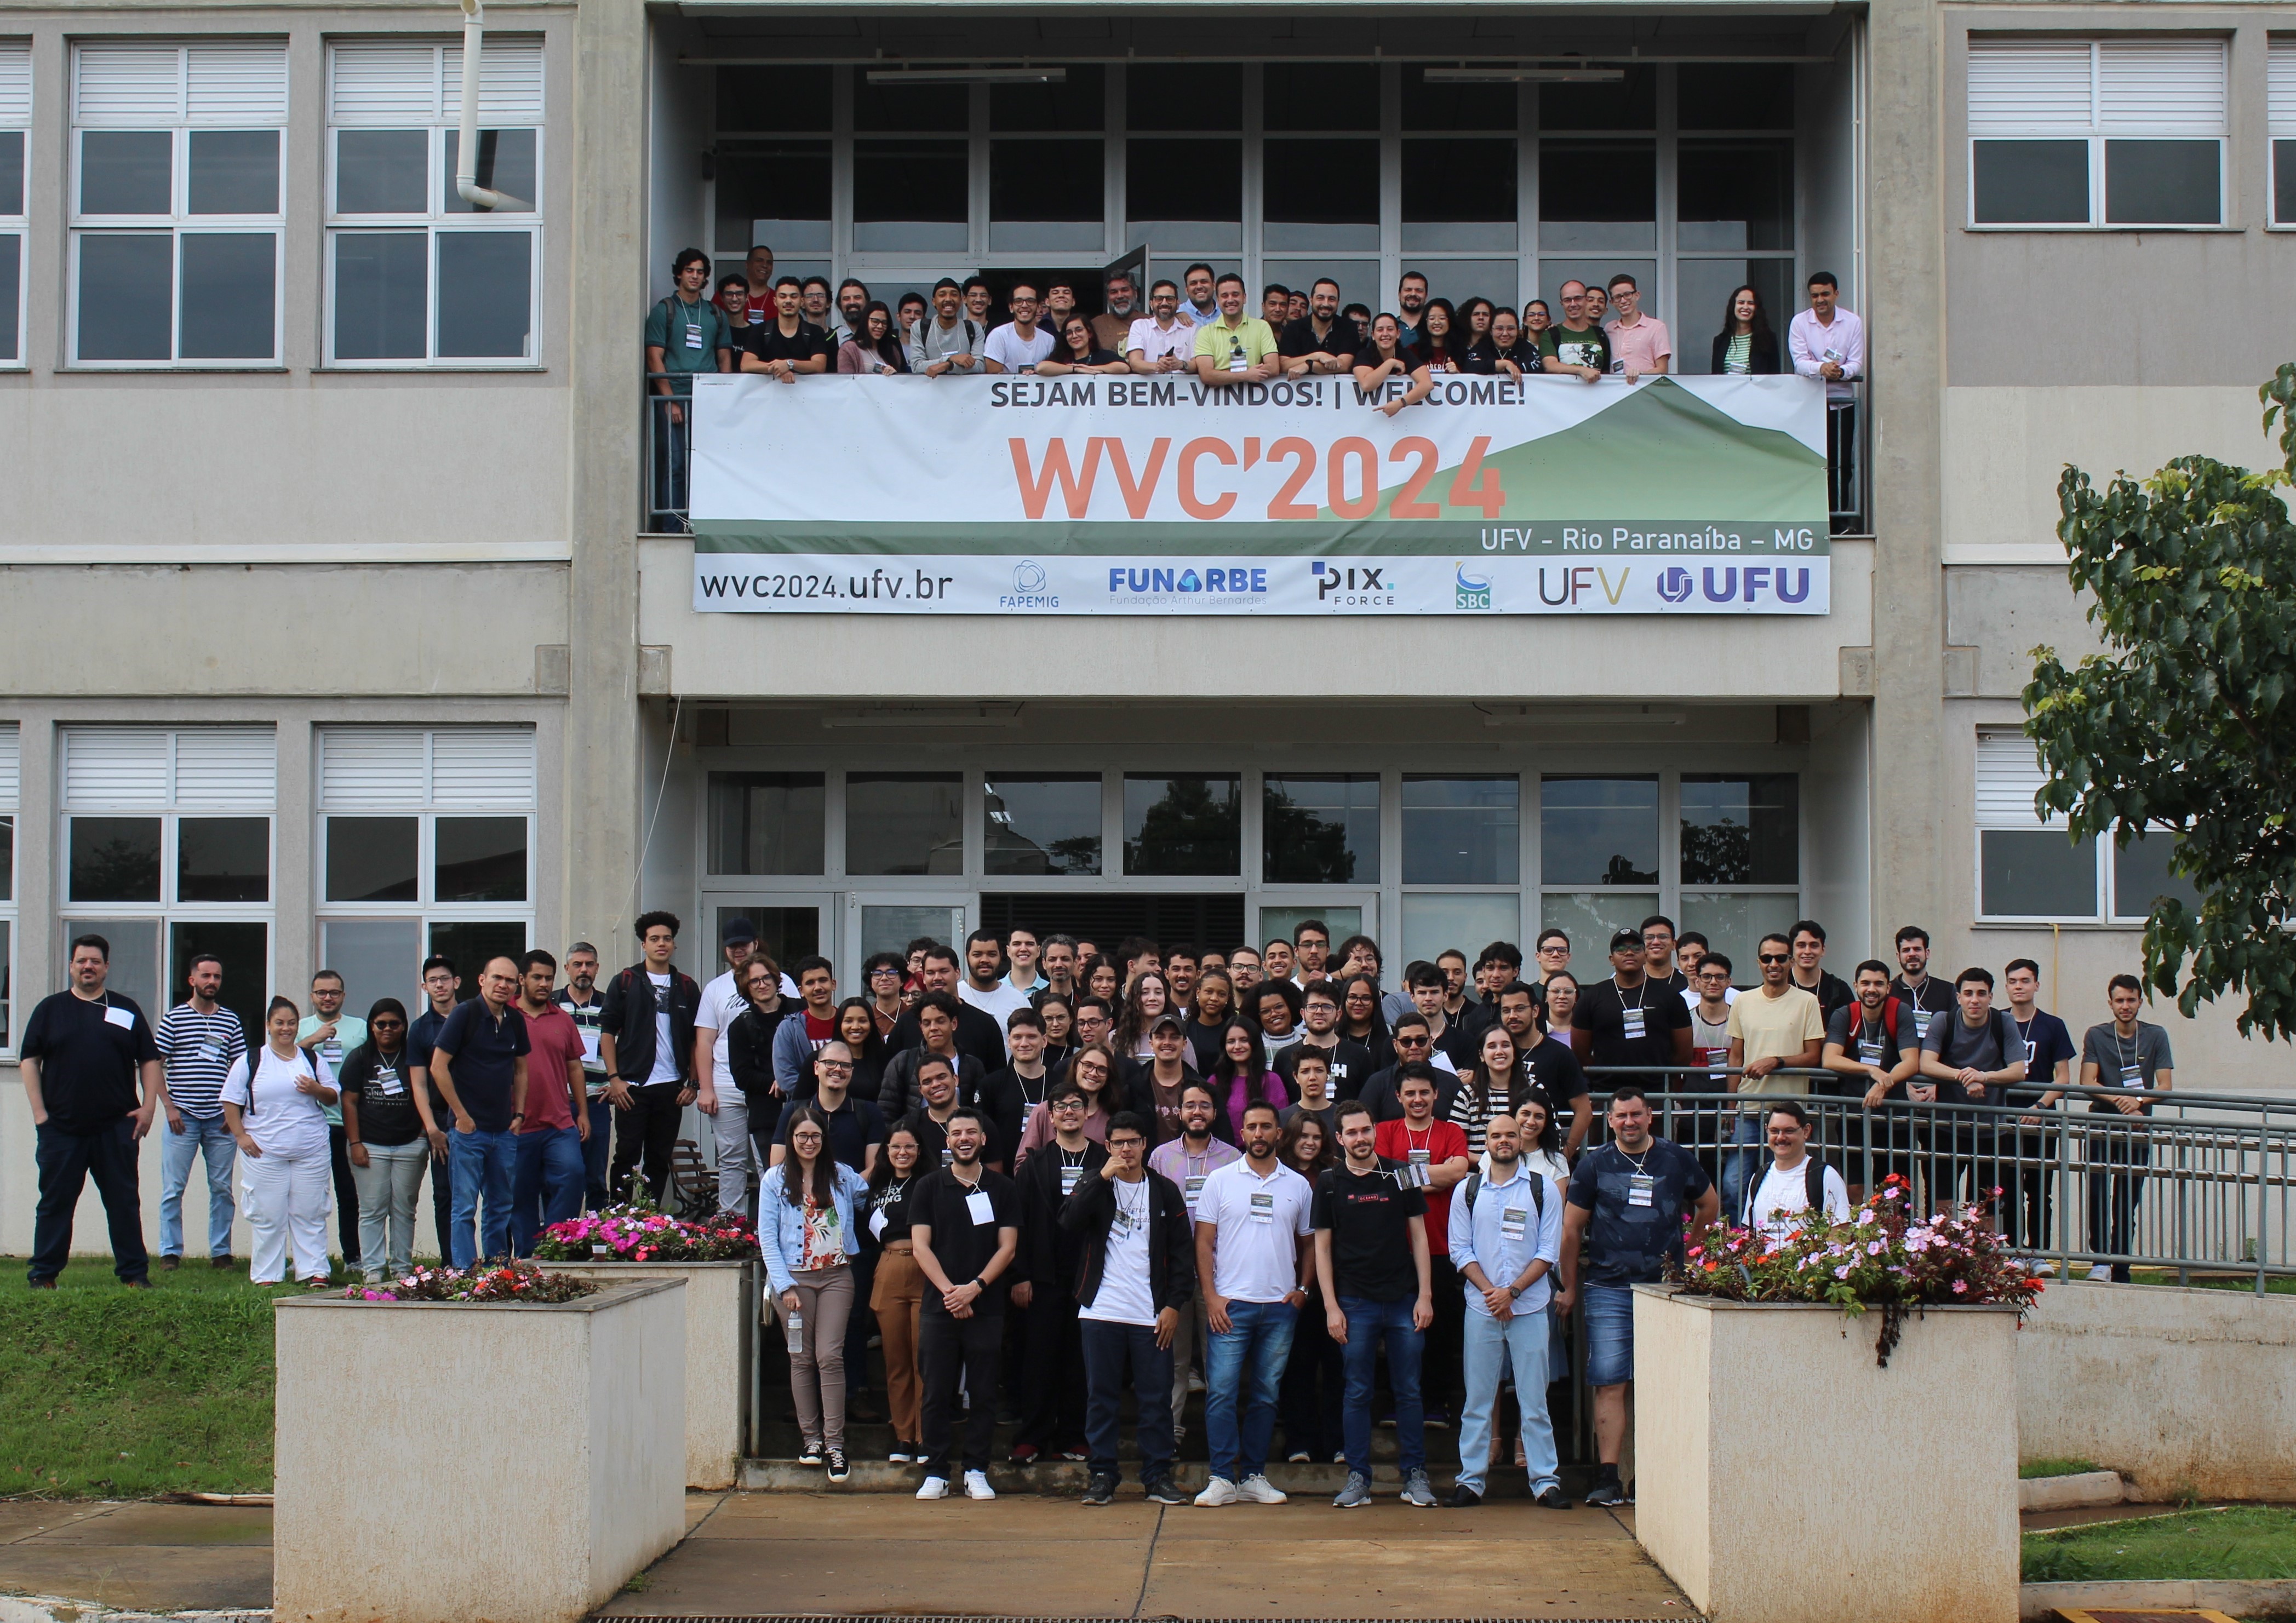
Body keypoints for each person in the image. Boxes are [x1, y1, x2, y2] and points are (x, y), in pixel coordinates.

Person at [1560, 1087, 1718, 1507]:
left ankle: (1659, 1475)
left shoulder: (1675, 1157)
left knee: (1664, 1383)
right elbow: (1572, 1229)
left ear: (1650, 1116)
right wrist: (1570, 1285)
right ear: (1608, 1121)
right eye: (1620, 1116)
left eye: (1636, 1114)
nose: (1628, 1122)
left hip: (1664, 1288)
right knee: (1609, 1381)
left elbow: (1708, 1204)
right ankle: (1609, 1476)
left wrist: (1690, 1250)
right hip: (1608, 1287)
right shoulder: (1594, 1164)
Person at [1060, 1109, 1193, 1504]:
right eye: (1119, 1142)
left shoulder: (1164, 1189)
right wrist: (1101, 1176)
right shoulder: (1095, 1184)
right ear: (1108, 1146)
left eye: (1133, 1141)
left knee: (1155, 1396)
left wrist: (1173, 1306)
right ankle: (1102, 1474)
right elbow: (1067, 1222)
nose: (1127, 1149)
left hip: (1150, 1313)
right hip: (1101, 1309)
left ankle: (1157, 1475)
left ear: (1144, 1144)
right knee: (1101, 1396)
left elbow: (1182, 1254)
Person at [1192, 1100, 1315, 1507]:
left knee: (1265, 1394)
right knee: (1222, 1393)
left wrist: (1303, 1289)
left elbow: (1309, 1242)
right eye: (1251, 1127)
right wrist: (1211, 1297)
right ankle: (1222, 1477)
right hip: (1230, 1305)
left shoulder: (1297, 1184)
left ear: (1279, 1133)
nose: (1258, 1134)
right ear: (1241, 1133)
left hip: (1280, 1306)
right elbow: (1204, 1242)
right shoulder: (1220, 1180)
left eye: (1266, 1127)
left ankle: (1254, 1476)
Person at [21, 934, 162, 1288]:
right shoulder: (50, 1010)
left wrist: (148, 1108)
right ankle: (44, 1274)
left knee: (124, 1203)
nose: (88, 967)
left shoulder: (126, 1009)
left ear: (106, 968)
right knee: (55, 1203)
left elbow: (149, 1059)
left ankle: (134, 1274)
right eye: (82, 961)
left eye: (95, 962)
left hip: (117, 1127)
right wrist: (40, 1115)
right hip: (61, 1128)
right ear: (71, 966)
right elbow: (29, 1059)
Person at [1315, 1100, 1437, 1509]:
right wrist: (1331, 1306)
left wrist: (1425, 1294)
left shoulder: (1401, 1173)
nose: (1360, 1138)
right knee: (1356, 1392)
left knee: (1409, 1390)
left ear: (1374, 1131)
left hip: (1403, 1298)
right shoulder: (1329, 1181)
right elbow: (1322, 1248)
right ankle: (1357, 1477)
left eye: (1365, 1130)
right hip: (1354, 1302)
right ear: (1339, 1138)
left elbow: (1419, 1236)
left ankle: (1414, 1475)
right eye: (1351, 1132)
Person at [1449, 1110, 1568, 1508]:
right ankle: (1469, 1481)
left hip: (1530, 1307)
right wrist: (1491, 1293)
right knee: (1477, 1400)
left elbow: (1548, 1252)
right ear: (1486, 1141)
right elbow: (1459, 1249)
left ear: (1521, 1140)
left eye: (1511, 1134)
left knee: (1534, 1400)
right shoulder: (1468, 1190)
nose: (1504, 1140)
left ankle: (1545, 1482)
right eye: (1496, 1134)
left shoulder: (1543, 1188)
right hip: (1481, 1308)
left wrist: (1512, 1292)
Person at [909, 1106, 1021, 1501]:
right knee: (936, 1391)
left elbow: (1007, 1248)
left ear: (983, 1138)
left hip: (985, 1306)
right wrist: (950, 1292)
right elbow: (920, 1246)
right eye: (956, 1133)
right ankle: (936, 1470)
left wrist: (974, 1287)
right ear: (947, 1140)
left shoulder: (1002, 1188)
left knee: (984, 1391)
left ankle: (976, 1468)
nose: (964, 1139)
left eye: (971, 1132)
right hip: (939, 1307)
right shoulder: (928, 1187)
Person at [764, 1103, 870, 1480]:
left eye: (815, 1136)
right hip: (794, 1280)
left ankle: (835, 1444)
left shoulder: (841, 1175)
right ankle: (811, 1440)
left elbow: (867, 1193)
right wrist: (784, 1285)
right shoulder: (775, 1180)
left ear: (824, 1140)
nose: (808, 1142)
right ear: (791, 1140)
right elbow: (767, 1237)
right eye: (801, 1136)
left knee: (829, 1355)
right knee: (801, 1357)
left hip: (836, 1276)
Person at [1010, 1082, 1107, 1466]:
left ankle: (1074, 1436)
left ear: (1087, 1113)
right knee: (1039, 1359)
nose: (1069, 1111)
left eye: (1076, 1105)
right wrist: (1020, 1275)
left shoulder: (1104, 1160)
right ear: (1049, 1117)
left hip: (1091, 1277)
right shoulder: (1033, 1164)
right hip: (1043, 1276)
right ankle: (1032, 1437)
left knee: (1080, 1360)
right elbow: (1018, 1224)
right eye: (1061, 1106)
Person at [1375, 1069, 1470, 1431]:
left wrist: (1407, 1179)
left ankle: (1435, 1403)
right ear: (1399, 1096)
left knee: (1439, 1329)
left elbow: (1459, 1172)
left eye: (1424, 1093)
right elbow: (1381, 1178)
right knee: (1394, 1329)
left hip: (1441, 1246)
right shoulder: (1384, 1131)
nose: (1417, 1099)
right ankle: (1396, 1402)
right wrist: (1436, 1175)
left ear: (1435, 1095)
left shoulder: (1451, 1131)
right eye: (1410, 1093)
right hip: (1394, 1247)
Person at [221, 996, 339, 1286]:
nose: (285, 1029)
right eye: (279, 1023)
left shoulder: (311, 1059)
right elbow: (230, 1100)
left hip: (310, 1149)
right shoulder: (251, 1060)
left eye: (291, 1023)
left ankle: (314, 1271)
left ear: (298, 1026)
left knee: (310, 1211)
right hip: (264, 1151)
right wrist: (241, 1136)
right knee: (268, 1214)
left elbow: (333, 1096)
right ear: (268, 1026)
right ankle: (266, 1274)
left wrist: (315, 1088)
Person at [429, 955, 532, 1267]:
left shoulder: (514, 1020)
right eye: (497, 978)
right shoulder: (465, 1014)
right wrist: (461, 1115)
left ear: (517, 985)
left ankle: (496, 1269)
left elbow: (522, 1071)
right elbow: (437, 1066)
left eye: (510, 981)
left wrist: (519, 1115)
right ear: (482, 980)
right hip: (468, 1131)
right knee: (463, 1207)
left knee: (500, 1205)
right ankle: (465, 1272)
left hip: (503, 1130)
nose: (503, 985)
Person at [1149, 1083, 1239, 1433]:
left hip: (1220, 1274)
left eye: (1204, 1106)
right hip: (1175, 1273)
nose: (1197, 1112)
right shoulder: (1160, 1156)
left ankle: (1222, 1435)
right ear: (1180, 1112)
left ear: (1215, 1113)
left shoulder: (1232, 1158)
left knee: (1220, 1360)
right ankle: (1168, 1434)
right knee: (1173, 1359)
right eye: (1190, 1106)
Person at [599, 912, 702, 1204]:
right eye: (654, 939)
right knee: (627, 1154)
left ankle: (651, 1218)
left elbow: (696, 1038)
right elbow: (607, 1031)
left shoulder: (686, 986)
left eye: (667, 939)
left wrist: (692, 1083)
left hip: (671, 1086)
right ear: (643, 944)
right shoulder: (626, 981)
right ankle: (618, 1218)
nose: (661, 944)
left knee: (659, 1157)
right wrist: (615, 1079)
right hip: (632, 1086)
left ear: (674, 945)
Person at [1722, 934, 1827, 1219]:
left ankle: (1774, 1249)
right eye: (1767, 958)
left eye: (1781, 958)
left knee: (1780, 1186)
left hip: (1789, 1112)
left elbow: (1814, 1055)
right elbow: (1736, 1056)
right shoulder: (1743, 1001)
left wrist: (1776, 1062)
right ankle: (1737, 1245)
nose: (1774, 964)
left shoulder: (1807, 1001)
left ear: (1791, 962)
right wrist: (1730, 1105)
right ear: (1759, 963)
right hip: (1749, 1109)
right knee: (1734, 1184)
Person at [2077, 975, 2172, 1282]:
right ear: (2111, 1003)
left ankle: (2121, 1267)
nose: (2125, 1006)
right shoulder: (2097, 1035)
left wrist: (2139, 1100)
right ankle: (2100, 1262)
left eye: (2131, 1000)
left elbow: (2166, 1086)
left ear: (2141, 1002)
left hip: (2138, 1129)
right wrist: (2122, 1099)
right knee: (2098, 1196)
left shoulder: (2156, 1036)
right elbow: (2087, 1082)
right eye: (2119, 1000)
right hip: (2102, 1127)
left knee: (2126, 1200)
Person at [154, 953, 246, 1270]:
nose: (212, 982)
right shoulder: (174, 1019)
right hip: (182, 1118)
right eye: (205, 976)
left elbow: (241, 1070)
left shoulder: (230, 1020)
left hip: (219, 1121)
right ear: (192, 980)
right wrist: (168, 1108)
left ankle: (221, 1253)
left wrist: (233, 1113)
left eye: (217, 977)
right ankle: (170, 1252)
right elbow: (154, 1065)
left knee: (222, 1189)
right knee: (173, 1188)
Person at [1916, 967, 2028, 1215]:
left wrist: (1984, 1077)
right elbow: (1926, 1063)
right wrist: (1965, 1077)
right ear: (1958, 997)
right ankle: (1941, 1254)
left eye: (1981, 993)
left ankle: (1983, 1254)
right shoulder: (1943, 1020)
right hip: (1946, 1127)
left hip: (1990, 1129)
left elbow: (2019, 1071)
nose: (1974, 1000)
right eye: (1968, 993)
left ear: (1991, 997)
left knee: (1986, 1207)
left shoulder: (2004, 1021)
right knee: (1941, 1203)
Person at [337, 998, 426, 1282]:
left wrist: (424, 1133)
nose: (387, 1029)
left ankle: (402, 1268)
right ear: (371, 1026)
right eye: (381, 1024)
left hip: (410, 1144)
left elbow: (426, 1092)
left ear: (404, 1026)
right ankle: (373, 1269)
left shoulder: (414, 1056)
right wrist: (355, 1143)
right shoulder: (360, 1058)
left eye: (394, 1024)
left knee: (404, 1209)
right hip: (370, 1146)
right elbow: (349, 1102)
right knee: (372, 1209)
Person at [1821, 959, 1921, 1203]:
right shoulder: (1845, 1014)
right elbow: (1830, 1059)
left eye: (1879, 984)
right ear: (1856, 986)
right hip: (1854, 1114)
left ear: (1888, 987)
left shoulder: (1900, 1012)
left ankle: (1893, 1239)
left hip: (1895, 1116)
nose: (1871, 989)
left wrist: (1882, 1084)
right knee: (1854, 1188)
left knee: (1895, 1191)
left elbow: (1911, 1061)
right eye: (1865, 983)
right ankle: (1853, 1240)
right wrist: (1871, 1071)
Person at [509, 950, 589, 1255]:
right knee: (521, 1196)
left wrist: (582, 1112)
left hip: (559, 1122)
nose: (544, 984)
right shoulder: (505, 1016)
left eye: (548, 978)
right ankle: (528, 1259)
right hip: (518, 1125)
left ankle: (555, 1245)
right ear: (522, 980)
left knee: (573, 1175)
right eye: (537, 977)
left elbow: (574, 1067)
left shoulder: (563, 1019)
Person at [645, 248, 732, 523]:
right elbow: (654, 357)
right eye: (689, 271)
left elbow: (724, 357)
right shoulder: (664, 310)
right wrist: (669, 400)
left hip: (707, 397)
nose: (695, 276)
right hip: (675, 397)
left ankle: (704, 522)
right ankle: (672, 526)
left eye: (700, 272)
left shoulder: (715, 313)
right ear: (679, 274)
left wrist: (722, 394)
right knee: (675, 464)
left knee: (708, 465)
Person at [1276, 1112, 1343, 1464]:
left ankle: (1338, 1444)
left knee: (1336, 1366)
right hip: (1291, 1285)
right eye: (1303, 1136)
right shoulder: (1279, 1175)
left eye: (1317, 1137)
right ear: (1290, 1138)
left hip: (1333, 1285)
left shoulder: (1333, 1176)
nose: (1310, 1143)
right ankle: (1299, 1442)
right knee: (1298, 1367)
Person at [2003, 959, 2078, 1261]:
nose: (2019, 986)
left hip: (2042, 1119)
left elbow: (2063, 1077)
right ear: (2006, 986)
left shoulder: (2053, 1025)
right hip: (2004, 1118)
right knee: (2006, 1189)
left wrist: (2041, 1106)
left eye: (2025, 981)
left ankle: (2038, 1254)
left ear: (2037, 985)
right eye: (2012, 981)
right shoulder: (1996, 1021)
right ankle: (2011, 1252)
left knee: (2039, 1191)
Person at [297, 970, 366, 1274]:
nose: (328, 998)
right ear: (312, 996)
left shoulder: (360, 1028)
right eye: (321, 993)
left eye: (334, 993)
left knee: (348, 1194)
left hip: (348, 1123)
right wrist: (313, 1040)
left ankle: (353, 1258)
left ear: (343, 995)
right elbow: (281, 1060)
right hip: (309, 1123)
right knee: (307, 1195)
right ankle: (308, 1259)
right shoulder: (299, 1029)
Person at [868, 1124, 929, 1463]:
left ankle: (925, 1436)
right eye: (895, 1147)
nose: (902, 1153)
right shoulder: (876, 1183)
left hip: (924, 1267)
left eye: (909, 1146)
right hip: (888, 1266)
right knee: (896, 1360)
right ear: (886, 1150)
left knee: (924, 1359)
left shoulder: (929, 1182)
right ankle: (904, 1437)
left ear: (920, 1149)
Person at [1788, 271, 1865, 529]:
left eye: (1825, 294)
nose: (1820, 300)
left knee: (1842, 464)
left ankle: (1839, 519)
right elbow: (1800, 363)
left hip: (1842, 404)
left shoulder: (1853, 323)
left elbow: (1856, 362)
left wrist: (1841, 372)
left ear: (1836, 294)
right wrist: (1821, 368)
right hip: (1811, 406)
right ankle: (1815, 519)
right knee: (1814, 464)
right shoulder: (1800, 323)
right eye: (1815, 296)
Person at [1572, 927, 1693, 1086]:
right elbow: (1581, 1053)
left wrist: (1666, 1078)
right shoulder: (1592, 997)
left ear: (1645, 956)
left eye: (1636, 948)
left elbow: (1683, 1054)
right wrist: (1602, 1076)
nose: (1629, 953)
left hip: (1657, 1090)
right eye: (1621, 949)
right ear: (1611, 959)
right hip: (1607, 1091)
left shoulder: (1669, 995)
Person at [407, 955, 461, 1258]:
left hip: (480, 1117)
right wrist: (431, 1128)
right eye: (432, 981)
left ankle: (498, 1261)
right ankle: (451, 1262)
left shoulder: (474, 1017)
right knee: (445, 1195)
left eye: (444, 979)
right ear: (425, 987)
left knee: (492, 1193)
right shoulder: (420, 1029)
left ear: (456, 982)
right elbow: (419, 1083)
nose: (439, 985)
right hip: (441, 1120)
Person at [726, 956, 798, 1183]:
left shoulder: (800, 1012)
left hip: (807, 1106)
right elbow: (742, 1075)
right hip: (766, 1115)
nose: (762, 984)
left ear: (776, 979)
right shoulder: (740, 1026)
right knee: (777, 1180)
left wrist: (792, 1080)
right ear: (746, 988)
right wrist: (775, 1081)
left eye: (766, 977)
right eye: (754, 981)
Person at [553, 942, 614, 1211]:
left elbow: (624, 1048)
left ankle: (598, 1240)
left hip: (596, 1102)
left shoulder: (610, 1007)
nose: (584, 970)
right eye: (577, 965)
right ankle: (560, 1236)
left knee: (596, 1176)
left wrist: (617, 1081)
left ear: (597, 968)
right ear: (567, 969)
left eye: (589, 964)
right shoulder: (552, 1006)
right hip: (558, 1104)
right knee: (561, 1174)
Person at [1742, 1100, 1851, 1243]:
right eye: (1774, 1131)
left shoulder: (1826, 1176)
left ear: (1806, 1131)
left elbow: (1841, 1238)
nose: (1781, 1137)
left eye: (1789, 1131)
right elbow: (1749, 1234)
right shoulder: (1758, 1177)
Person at [1191, 272, 1280, 388]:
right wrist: (1246, 375)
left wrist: (1221, 375)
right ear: (1218, 300)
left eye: (1235, 294)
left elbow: (1273, 367)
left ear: (1244, 298)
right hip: (1217, 404)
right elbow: (1207, 375)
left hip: (1255, 402)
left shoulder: (1262, 327)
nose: (1230, 300)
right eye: (1225, 296)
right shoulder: (1205, 332)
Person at [1207, 1019, 1291, 1143]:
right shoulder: (1214, 1081)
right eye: (1231, 1042)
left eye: (1244, 1040)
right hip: (1223, 1155)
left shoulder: (1272, 1081)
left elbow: (1281, 1123)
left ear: (1255, 1043)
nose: (1237, 1046)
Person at [735, 276, 832, 381]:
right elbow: (746, 365)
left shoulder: (815, 332)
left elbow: (819, 366)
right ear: (775, 301)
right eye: (783, 296)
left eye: (794, 296)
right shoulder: (761, 330)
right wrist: (779, 369)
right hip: (768, 396)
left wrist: (789, 364)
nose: (788, 301)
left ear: (802, 301)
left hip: (806, 396)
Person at [1889, 926, 1956, 1049]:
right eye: (1906, 950)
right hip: (1899, 1064)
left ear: (1927, 953)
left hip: (1938, 1063)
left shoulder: (1948, 990)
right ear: (1898, 956)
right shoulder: (1888, 992)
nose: (1912, 954)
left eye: (1917, 949)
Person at [1279, 278, 1361, 377]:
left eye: (1332, 299)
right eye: (1320, 298)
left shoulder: (1348, 327)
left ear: (1338, 302)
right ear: (1311, 300)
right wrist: (1317, 356)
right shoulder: (1293, 328)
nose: (1326, 304)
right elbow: (1283, 365)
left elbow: (1344, 366)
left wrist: (1309, 366)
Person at [1788, 920, 1856, 1037]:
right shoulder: (1779, 985)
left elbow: (1851, 1031)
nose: (1807, 951)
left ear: (1823, 950)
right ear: (1791, 950)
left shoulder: (1839, 990)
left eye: (1814, 946)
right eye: (1801, 945)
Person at [910, 278, 987, 376]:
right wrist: (950, 359)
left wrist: (949, 365)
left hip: (965, 391)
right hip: (930, 390)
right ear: (934, 301)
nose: (948, 299)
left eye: (954, 295)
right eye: (942, 295)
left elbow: (980, 367)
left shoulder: (973, 328)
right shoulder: (920, 327)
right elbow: (916, 366)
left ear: (961, 301)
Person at [1601, 272, 1669, 380]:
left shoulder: (1656, 327)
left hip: (1645, 391)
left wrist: (1640, 375)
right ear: (1612, 302)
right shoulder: (1609, 329)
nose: (1623, 301)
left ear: (1637, 295)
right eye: (1618, 297)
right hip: (1617, 393)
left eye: (1627, 294)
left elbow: (1663, 370)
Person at [1538, 280, 1610, 382]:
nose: (1573, 304)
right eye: (1568, 300)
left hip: (1597, 396)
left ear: (1586, 300)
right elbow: (1550, 366)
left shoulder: (1600, 335)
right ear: (1562, 304)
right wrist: (1581, 370)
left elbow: (1607, 372)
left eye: (1578, 299)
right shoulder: (1551, 334)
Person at [1125, 279, 1196, 375]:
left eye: (1170, 299)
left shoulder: (1192, 329)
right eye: (1159, 299)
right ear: (1151, 304)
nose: (1164, 303)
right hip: (1149, 389)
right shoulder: (1140, 326)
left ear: (1178, 303)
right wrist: (1157, 366)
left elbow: (1198, 365)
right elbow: (1135, 363)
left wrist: (1181, 365)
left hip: (1183, 389)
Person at [982, 284, 1055, 375]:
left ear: (1039, 307)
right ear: (1011, 307)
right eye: (1018, 301)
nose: (1024, 305)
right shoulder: (998, 335)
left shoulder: (1049, 340)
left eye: (1030, 301)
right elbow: (992, 378)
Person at [1711, 283, 1780, 375]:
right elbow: (1715, 377)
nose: (1746, 307)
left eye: (1751, 303)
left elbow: (1775, 376)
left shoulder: (1768, 339)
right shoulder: (1720, 341)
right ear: (1733, 307)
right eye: (1741, 303)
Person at [1037, 313, 1129, 376]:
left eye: (1079, 330)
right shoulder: (1061, 357)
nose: (1074, 336)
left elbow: (1124, 368)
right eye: (1069, 333)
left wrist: (1091, 369)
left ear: (1089, 333)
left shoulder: (1102, 356)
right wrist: (1075, 369)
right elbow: (1041, 368)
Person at [835, 300, 909, 374]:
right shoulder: (848, 349)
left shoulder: (893, 351)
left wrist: (895, 375)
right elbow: (846, 381)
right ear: (865, 321)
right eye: (875, 321)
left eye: (884, 323)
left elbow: (900, 383)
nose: (880, 326)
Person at [1464, 307, 1539, 377]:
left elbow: (1536, 367)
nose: (1505, 334)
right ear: (1491, 331)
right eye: (1499, 329)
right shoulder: (1481, 347)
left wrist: (1490, 367)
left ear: (1517, 330)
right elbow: (1468, 366)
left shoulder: (1526, 347)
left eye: (1511, 329)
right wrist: (1503, 364)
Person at [1091, 269, 1142, 354]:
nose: (1120, 296)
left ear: (1135, 293)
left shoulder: (1150, 322)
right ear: (1108, 297)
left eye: (1125, 290)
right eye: (1114, 292)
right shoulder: (1096, 325)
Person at [1394, 270, 1430, 348]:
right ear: (1399, 295)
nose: (1413, 294)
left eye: (1419, 290)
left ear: (1426, 296)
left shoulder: (1433, 327)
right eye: (1408, 290)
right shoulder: (1388, 328)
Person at [1178, 262, 1219, 326]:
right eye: (1193, 283)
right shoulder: (1177, 313)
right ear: (1187, 290)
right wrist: (1176, 315)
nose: (1199, 287)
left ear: (1214, 286)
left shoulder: (1225, 313)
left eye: (1204, 282)